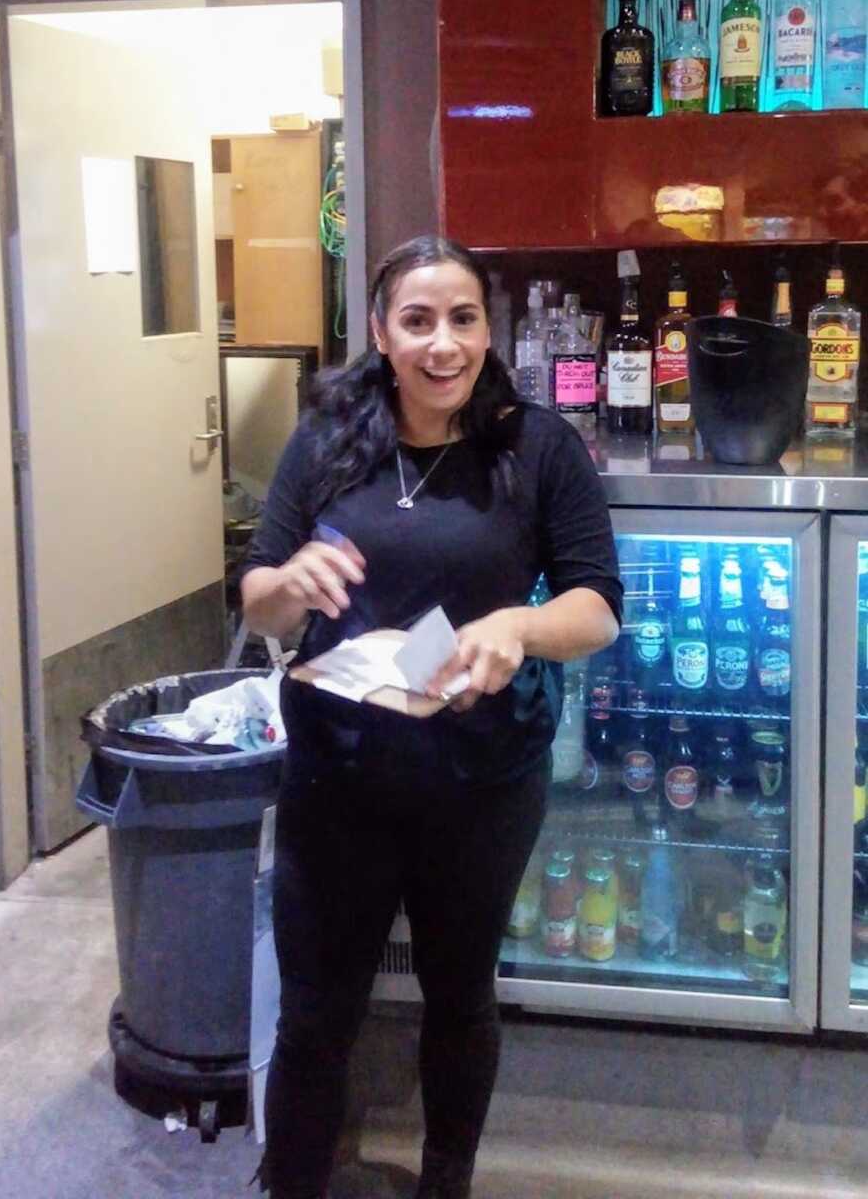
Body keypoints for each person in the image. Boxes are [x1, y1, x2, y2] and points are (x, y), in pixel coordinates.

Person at [241, 235, 623, 1199]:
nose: (443, 345)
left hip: (482, 779)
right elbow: (258, 600)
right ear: (380, 332)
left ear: (488, 330)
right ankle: (294, 1182)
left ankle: (444, 1184)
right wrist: (285, 583)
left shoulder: (538, 446)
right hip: (338, 776)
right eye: (417, 321)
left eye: (463, 319)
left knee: (461, 998)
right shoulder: (328, 437)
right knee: (316, 1013)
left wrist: (519, 627)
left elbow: (597, 607)